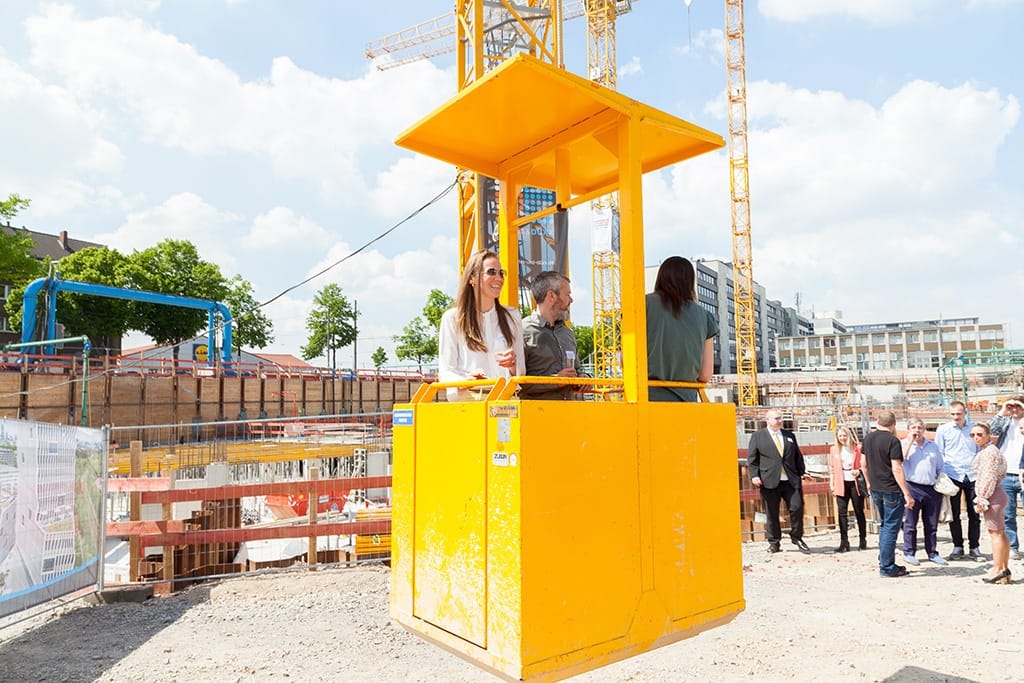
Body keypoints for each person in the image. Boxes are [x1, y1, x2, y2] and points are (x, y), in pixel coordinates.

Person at [437, 249, 525, 401]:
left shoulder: (512, 316)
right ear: (472, 278)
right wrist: (466, 381)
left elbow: (521, 371)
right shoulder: (452, 319)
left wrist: (512, 366)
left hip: (505, 402)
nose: (498, 278)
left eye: (501, 273)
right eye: (491, 272)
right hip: (469, 403)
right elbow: (446, 371)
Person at [645, 256, 717, 402]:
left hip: (646, 399)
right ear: (690, 282)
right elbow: (705, 374)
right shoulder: (705, 316)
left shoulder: (642, 305)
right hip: (686, 402)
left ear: (661, 278)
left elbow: (626, 361)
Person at [747, 409, 809, 554]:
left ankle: (797, 537)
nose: (780, 421)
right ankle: (774, 542)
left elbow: (797, 456)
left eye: (780, 418)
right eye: (776, 418)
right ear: (767, 420)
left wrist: (802, 472)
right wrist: (754, 475)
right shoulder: (758, 436)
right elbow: (752, 459)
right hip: (769, 480)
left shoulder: (789, 435)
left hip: (790, 480)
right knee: (772, 513)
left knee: (797, 507)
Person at [862, 411, 915, 578]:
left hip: (876, 487)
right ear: (894, 424)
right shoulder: (893, 441)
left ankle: (885, 559)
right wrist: (907, 493)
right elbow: (897, 468)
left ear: (877, 421)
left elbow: (863, 464)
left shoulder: (868, 438)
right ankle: (886, 566)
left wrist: (868, 482)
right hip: (891, 488)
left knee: (885, 525)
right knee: (891, 527)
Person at [521, 271, 585, 400]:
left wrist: (583, 378)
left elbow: (577, 369)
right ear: (551, 296)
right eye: (567, 294)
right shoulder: (522, 331)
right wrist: (555, 381)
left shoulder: (568, 333)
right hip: (537, 411)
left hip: (569, 410)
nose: (571, 300)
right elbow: (516, 383)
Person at [934, 400, 981, 561]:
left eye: (958, 413)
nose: (956, 417)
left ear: (965, 413)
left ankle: (974, 547)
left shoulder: (974, 429)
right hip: (952, 474)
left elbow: (979, 449)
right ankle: (958, 546)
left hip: (972, 475)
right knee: (954, 513)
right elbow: (939, 452)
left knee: (974, 512)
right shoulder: (943, 430)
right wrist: (940, 474)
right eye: (953, 414)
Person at [899, 417, 947, 567]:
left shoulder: (932, 446)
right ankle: (909, 552)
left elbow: (940, 466)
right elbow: (900, 461)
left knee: (931, 524)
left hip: (931, 488)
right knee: (910, 523)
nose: (917, 431)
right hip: (912, 486)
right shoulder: (903, 444)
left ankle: (932, 552)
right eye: (913, 427)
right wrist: (910, 442)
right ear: (908, 430)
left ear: (924, 430)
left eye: (919, 428)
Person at [970, 423, 1011, 584]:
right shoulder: (989, 451)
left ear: (988, 435)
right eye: (973, 435)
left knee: (995, 533)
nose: (976, 438)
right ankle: (1004, 569)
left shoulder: (989, 453)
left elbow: (988, 477)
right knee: (1000, 532)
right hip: (996, 494)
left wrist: (982, 497)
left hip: (992, 495)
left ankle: (998, 569)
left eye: (980, 434)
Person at [988, 396, 1024, 559]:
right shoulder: (1005, 422)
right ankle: (1013, 547)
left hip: (1022, 473)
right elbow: (989, 430)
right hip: (1006, 474)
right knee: (1008, 515)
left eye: (1018, 407)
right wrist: (1003, 410)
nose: (1014, 409)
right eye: (1012, 406)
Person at [828, 425, 867, 552]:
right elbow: (832, 468)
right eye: (840, 436)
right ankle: (844, 541)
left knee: (858, 511)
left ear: (848, 436)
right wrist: (832, 483)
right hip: (841, 482)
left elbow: (865, 464)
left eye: (844, 435)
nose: (842, 438)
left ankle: (862, 539)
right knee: (842, 512)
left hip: (855, 482)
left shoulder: (857, 448)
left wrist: (859, 470)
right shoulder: (834, 449)